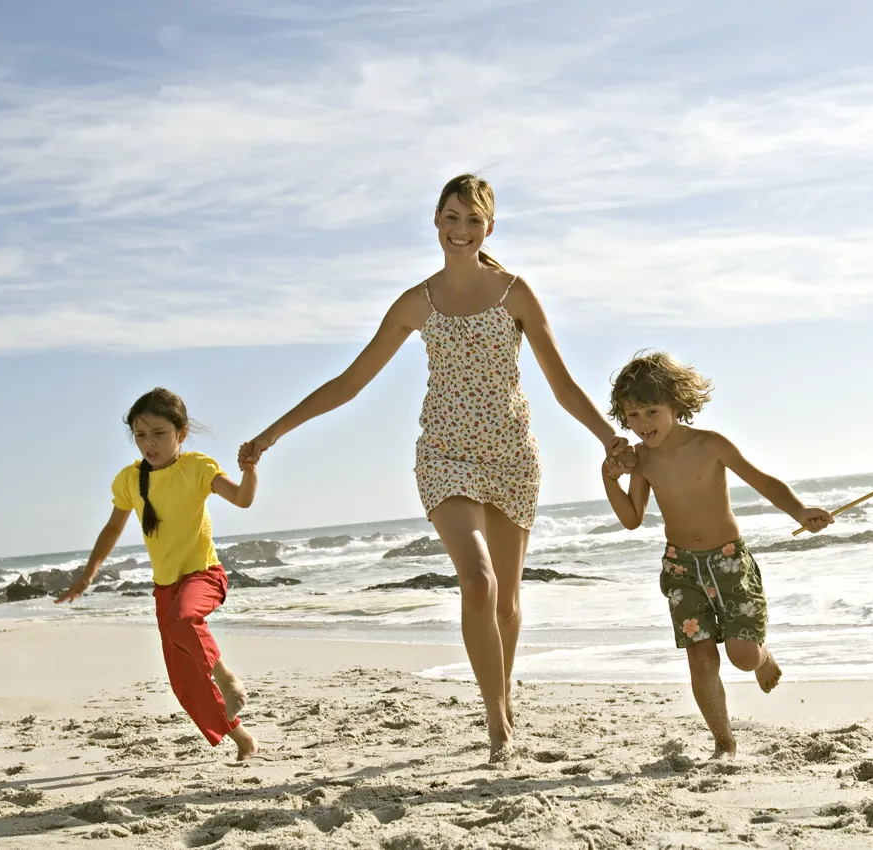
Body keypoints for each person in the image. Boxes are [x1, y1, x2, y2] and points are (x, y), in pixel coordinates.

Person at [238, 174, 631, 762]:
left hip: (512, 456)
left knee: (507, 602)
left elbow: (562, 385)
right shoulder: (417, 303)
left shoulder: (515, 293)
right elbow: (349, 383)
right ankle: (497, 721)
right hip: (444, 456)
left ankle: (502, 696)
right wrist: (273, 433)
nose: (461, 229)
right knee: (478, 580)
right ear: (436, 220)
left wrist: (608, 439)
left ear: (489, 227)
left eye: (473, 220)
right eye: (452, 216)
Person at [600, 351, 833, 759]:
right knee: (701, 659)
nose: (642, 424)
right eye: (632, 415)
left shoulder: (711, 445)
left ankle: (761, 657)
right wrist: (609, 480)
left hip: (728, 561)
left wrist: (799, 510)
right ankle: (723, 741)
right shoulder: (643, 461)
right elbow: (633, 519)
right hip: (681, 568)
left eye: (651, 411)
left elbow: (762, 481)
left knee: (742, 657)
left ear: (675, 403)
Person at [57, 387, 259, 762]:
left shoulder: (198, 467)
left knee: (184, 619)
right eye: (140, 435)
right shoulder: (130, 480)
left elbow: (243, 499)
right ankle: (243, 739)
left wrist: (249, 470)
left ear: (181, 433)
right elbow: (113, 528)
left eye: (159, 434)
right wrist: (89, 573)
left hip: (203, 576)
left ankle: (228, 678)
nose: (148, 444)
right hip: (164, 587)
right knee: (184, 680)